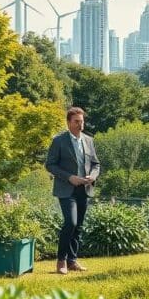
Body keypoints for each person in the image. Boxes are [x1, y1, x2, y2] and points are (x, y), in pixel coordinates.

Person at [45, 107, 101, 275]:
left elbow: (96, 164)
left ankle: (72, 261)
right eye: (76, 122)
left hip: (85, 189)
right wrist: (69, 177)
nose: (80, 125)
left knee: (79, 227)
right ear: (68, 122)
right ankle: (61, 261)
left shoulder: (89, 140)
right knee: (71, 222)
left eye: (82, 121)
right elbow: (50, 165)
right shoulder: (58, 141)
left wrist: (93, 175)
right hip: (66, 189)